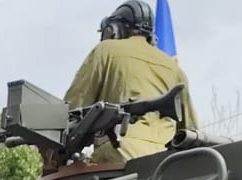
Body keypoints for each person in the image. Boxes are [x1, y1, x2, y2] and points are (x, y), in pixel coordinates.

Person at [65, 2, 197, 164]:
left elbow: (71, 110)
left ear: (113, 30)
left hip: (119, 154)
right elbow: (191, 131)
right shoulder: (175, 69)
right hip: (167, 162)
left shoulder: (105, 50)